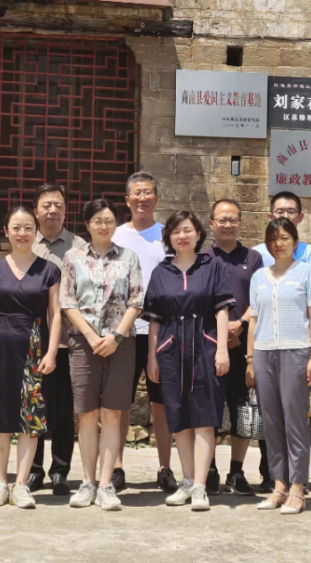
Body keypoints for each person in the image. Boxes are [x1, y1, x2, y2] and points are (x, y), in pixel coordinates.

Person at [144, 211, 234, 511]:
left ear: (198, 234)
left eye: (187, 230)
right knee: (179, 417)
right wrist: (152, 357)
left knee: (205, 418)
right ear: (168, 237)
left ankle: (200, 487)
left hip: (205, 347)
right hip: (170, 350)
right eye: (176, 231)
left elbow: (222, 310)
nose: (182, 236)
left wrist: (222, 349)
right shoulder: (161, 272)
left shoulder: (212, 265)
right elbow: (154, 319)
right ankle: (187, 480)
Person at [0, 206, 62, 509]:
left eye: (28, 228)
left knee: (30, 419)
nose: (22, 233)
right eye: (16, 227)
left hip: (34, 349)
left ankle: (21, 484)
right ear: (6, 232)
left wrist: (52, 352)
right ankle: (0, 482)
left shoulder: (49, 270)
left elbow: (56, 314)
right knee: (0, 419)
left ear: (36, 232)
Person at [61, 199, 143, 511]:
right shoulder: (73, 257)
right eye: (97, 220)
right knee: (86, 414)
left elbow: (137, 300)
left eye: (109, 220)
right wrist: (92, 336)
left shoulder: (128, 257)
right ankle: (87, 482)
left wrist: (116, 336)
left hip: (121, 344)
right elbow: (67, 301)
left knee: (112, 414)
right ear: (87, 224)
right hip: (84, 343)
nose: (104, 226)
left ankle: (106, 484)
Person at [247, 218, 311, 514]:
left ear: (295, 241)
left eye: (284, 238)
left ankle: (298, 488)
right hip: (264, 353)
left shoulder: (308, 271)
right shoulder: (259, 277)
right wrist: (250, 359)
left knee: (295, 422)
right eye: (272, 239)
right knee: (271, 422)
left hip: (296, 352)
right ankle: (279, 486)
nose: (278, 244)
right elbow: (254, 320)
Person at [112, 171, 177, 494]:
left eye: (148, 192)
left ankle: (165, 467)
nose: (142, 198)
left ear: (157, 198)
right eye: (136, 193)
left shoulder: (167, 237)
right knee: (120, 403)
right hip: (122, 331)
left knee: (161, 403)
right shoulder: (115, 236)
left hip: (160, 331)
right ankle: (116, 467)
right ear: (127, 200)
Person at [29, 184, 87, 496]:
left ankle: (60, 471)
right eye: (47, 205)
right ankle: (33, 470)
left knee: (64, 411)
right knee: (34, 406)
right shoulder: (27, 242)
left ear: (66, 211)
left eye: (59, 205)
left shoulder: (80, 246)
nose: (53, 210)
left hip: (69, 342)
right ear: (35, 210)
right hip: (33, 341)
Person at [205, 199, 263, 496]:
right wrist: (219, 334)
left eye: (233, 219)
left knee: (242, 408)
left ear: (240, 223)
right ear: (211, 223)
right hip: (209, 346)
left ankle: (237, 472)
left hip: (243, 345)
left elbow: (259, 296)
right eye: (222, 220)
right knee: (209, 409)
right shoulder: (202, 257)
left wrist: (239, 324)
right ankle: (209, 469)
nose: (227, 225)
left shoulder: (253, 258)